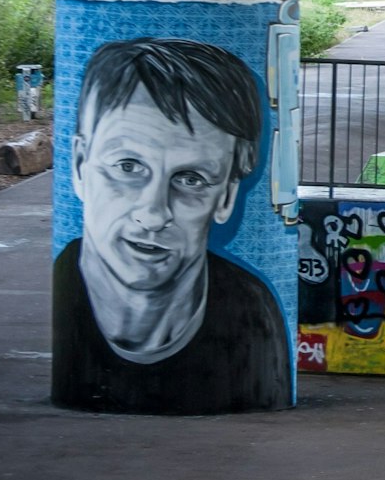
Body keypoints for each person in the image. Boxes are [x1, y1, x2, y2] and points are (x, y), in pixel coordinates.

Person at [52, 38, 290, 415]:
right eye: (128, 167)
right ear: (80, 166)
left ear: (227, 196)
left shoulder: (250, 314)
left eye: (191, 179)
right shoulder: (61, 290)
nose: (153, 213)